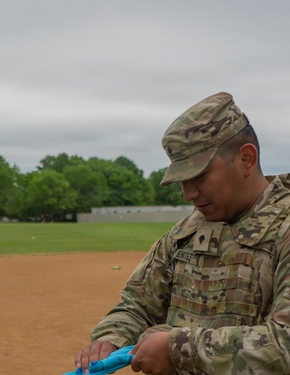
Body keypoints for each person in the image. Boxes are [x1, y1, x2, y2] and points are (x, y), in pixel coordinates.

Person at [73, 92, 290, 374]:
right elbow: (137, 304)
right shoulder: (188, 230)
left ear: (246, 159)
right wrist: (111, 338)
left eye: (199, 177)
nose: (188, 194)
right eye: (181, 181)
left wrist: (179, 350)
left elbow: (285, 343)